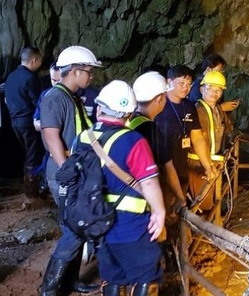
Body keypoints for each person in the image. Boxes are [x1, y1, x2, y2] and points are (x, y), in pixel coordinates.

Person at [78, 80, 166, 296]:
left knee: (113, 276)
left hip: (97, 223)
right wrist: (159, 211)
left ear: (99, 109)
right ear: (128, 115)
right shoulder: (133, 140)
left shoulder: (81, 139)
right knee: (146, 276)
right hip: (131, 225)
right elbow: (148, 182)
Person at [39, 46, 102, 296]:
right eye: (89, 71)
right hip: (65, 174)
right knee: (75, 228)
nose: (91, 76)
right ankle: (50, 288)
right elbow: (51, 134)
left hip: (76, 171)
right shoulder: (55, 97)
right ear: (75, 71)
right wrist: (67, 169)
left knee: (77, 227)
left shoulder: (71, 97)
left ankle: (70, 281)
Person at [131, 71, 186, 214]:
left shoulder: (129, 121)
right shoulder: (151, 129)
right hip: (146, 200)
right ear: (158, 99)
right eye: (165, 97)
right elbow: (168, 168)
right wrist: (180, 197)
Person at [155, 65, 208, 197]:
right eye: (181, 83)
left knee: (178, 209)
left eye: (189, 84)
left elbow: (197, 138)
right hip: (160, 170)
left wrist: (208, 166)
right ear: (168, 82)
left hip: (181, 166)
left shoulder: (189, 107)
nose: (186, 87)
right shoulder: (157, 105)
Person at [188, 70, 233, 219]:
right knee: (203, 203)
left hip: (212, 161)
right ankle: (199, 238)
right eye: (210, 88)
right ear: (202, 89)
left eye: (218, 90)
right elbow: (199, 139)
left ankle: (208, 232)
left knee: (212, 199)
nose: (214, 93)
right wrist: (208, 165)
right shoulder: (198, 110)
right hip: (200, 163)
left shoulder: (217, 110)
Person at [4, 47, 44, 197]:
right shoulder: (30, 78)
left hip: (15, 122)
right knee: (33, 155)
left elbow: (7, 100)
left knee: (27, 154)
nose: (40, 63)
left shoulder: (11, 77)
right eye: (40, 60)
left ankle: (29, 187)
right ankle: (32, 193)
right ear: (34, 60)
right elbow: (37, 102)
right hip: (28, 122)